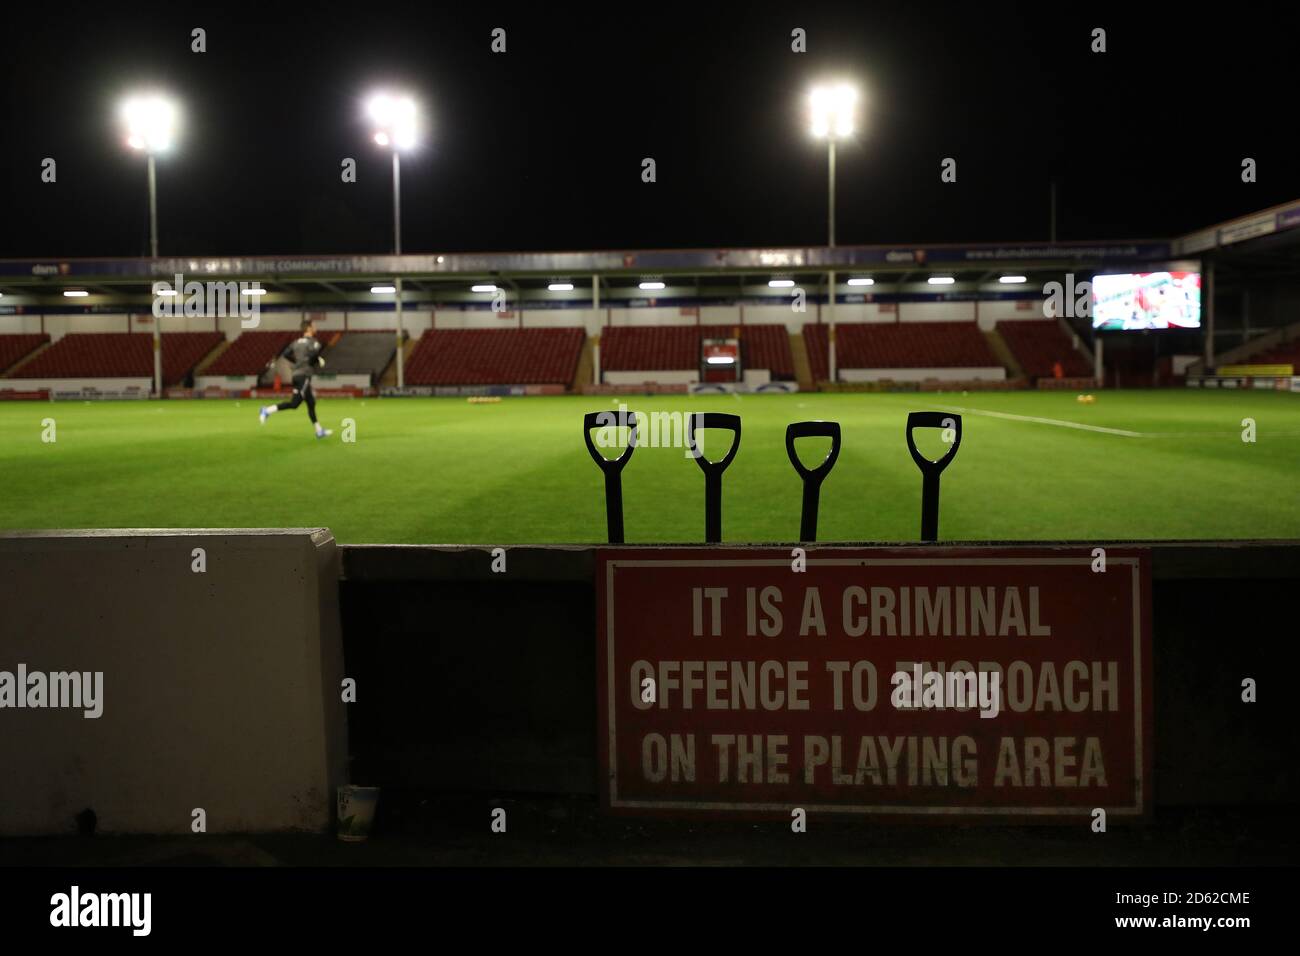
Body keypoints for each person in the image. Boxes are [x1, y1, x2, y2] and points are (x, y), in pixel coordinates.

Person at [259, 320, 332, 438]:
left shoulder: (296, 342)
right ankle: (267, 410)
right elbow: (313, 355)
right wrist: (318, 360)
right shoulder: (314, 342)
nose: (315, 327)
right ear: (308, 328)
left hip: (297, 374)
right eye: (313, 326)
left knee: (311, 403)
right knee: (294, 404)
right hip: (303, 375)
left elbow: (286, 354)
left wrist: (298, 362)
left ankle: (319, 431)